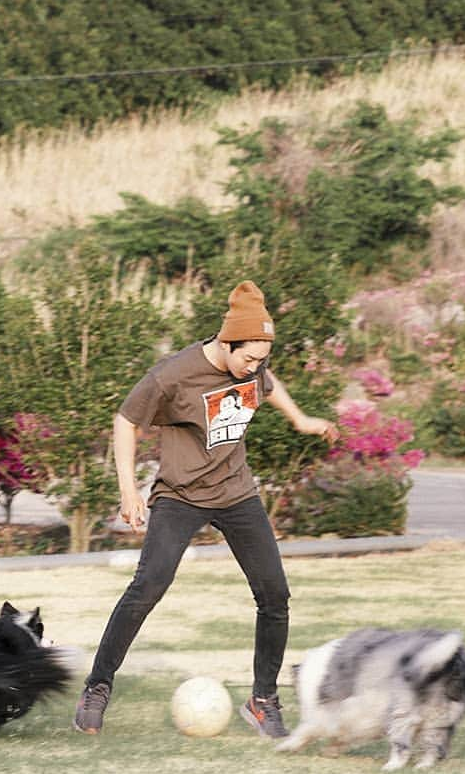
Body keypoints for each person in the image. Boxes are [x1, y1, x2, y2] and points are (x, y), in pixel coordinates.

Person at [74, 280, 337, 739]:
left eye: (261, 359)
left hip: (236, 492)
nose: (255, 368)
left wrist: (300, 419)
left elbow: (269, 385)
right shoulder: (174, 375)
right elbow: (125, 420)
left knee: (274, 596)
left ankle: (263, 700)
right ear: (226, 342)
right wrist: (129, 492)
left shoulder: (251, 366)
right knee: (148, 587)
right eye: (249, 358)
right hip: (180, 495)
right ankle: (97, 687)